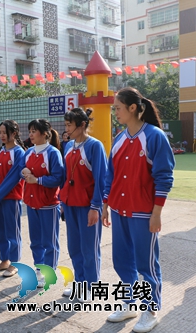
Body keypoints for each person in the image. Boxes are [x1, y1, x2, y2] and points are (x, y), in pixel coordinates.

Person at [102, 87, 174, 333]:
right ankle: (129, 303)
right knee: (122, 262)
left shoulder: (154, 137)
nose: (115, 112)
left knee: (146, 264)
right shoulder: (119, 139)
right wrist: (105, 205)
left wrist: (156, 213)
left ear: (133, 108)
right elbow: (110, 176)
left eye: (117, 108)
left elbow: (164, 177)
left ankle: (150, 310)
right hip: (119, 211)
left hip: (143, 213)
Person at [60, 108, 107, 302]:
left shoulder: (95, 146)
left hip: (87, 206)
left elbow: (101, 179)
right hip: (70, 205)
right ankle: (80, 284)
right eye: (66, 125)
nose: (67, 128)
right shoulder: (68, 146)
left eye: (69, 125)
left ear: (82, 125)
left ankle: (92, 286)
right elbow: (65, 177)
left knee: (89, 248)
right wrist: (62, 202)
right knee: (74, 247)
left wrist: (96, 207)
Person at [20, 119, 64, 287]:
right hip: (32, 203)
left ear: (45, 133)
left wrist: (37, 180)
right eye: (30, 131)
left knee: (50, 240)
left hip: (48, 204)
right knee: (35, 240)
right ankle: (39, 268)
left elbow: (57, 178)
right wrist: (23, 171)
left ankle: (49, 270)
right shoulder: (29, 152)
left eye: (34, 131)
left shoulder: (53, 153)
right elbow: (22, 169)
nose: (30, 134)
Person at [0, 120, 26, 277]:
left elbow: (13, 178)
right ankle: (4, 260)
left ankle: (15, 262)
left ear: (14, 133)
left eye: (5, 132)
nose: (2, 135)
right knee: (1, 231)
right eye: (0, 132)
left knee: (13, 232)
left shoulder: (19, 153)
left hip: (11, 198)